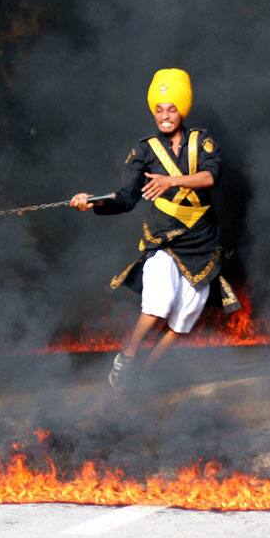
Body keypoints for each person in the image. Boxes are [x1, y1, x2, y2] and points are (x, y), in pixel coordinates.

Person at [70, 68, 240, 390]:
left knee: (184, 319)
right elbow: (126, 198)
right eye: (159, 110)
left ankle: (144, 374)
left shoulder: (202, 141)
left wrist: (171, 181)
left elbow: (211, 177)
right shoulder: (144, 151)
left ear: (182, 109)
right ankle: (127, 358)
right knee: (159, 302)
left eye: (171, 108)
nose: (164, 116)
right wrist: (91, 202)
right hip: (162, 239)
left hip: (202, 242)